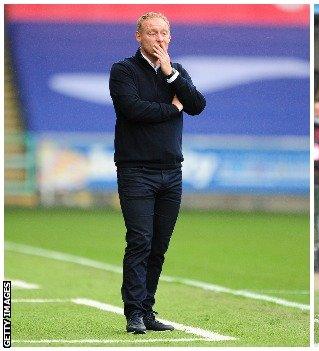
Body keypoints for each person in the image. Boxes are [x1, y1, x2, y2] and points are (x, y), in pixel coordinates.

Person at [109, 12, 206, 334]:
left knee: (158, 247)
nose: (160, 39)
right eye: (152, 33)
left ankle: (148, 310)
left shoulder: (176, 73)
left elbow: (198, 105)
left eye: (164, 33)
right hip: (136, 170)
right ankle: (133, 313)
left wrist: (170, 74)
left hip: (171, 172)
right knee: (139, 240)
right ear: (139, 36)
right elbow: (133, 110)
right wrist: (172, 108)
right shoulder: (123, 71)